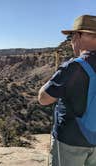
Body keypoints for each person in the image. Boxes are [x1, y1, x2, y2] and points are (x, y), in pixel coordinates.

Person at [38, 15, 96, 166]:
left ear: (77, 36)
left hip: (71, 141)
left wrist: (54, 79)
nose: (71, 41)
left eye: (71, 36)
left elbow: (43, 99)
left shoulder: (74, 66)